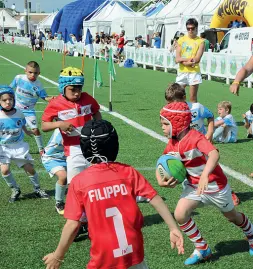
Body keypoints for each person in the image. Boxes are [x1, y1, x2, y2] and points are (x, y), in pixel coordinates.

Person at [43, 119, 184, 269]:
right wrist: (173, 228)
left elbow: (72, 224)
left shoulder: (79, 182)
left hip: (103, 258)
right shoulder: (128, 172)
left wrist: (58, 256)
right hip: (134, 253)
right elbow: (154, 199)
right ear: (113, 144)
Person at [158, 101, 253, 265]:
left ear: (178, 122)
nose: (163, 128)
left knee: (232, 216)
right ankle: (202, 248)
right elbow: (163, 163)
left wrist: (205, 175)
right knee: (180, 213)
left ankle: (251, 233)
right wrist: (162, 181)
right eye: (162, 124)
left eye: (166, 124)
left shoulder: (195, 137)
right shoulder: (172, 144)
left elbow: (214, 154)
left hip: (216, 186)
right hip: (194, 187)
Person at [41, 67, 102, 184]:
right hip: (72, 147)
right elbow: (44, 126)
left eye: (79, 88)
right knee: (75, 182)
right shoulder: (55, 104)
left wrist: (98, 126)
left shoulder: (88, 98)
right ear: (63, 88)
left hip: (90, 144)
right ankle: (60, 202)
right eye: (72, 89)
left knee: (94, 179)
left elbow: (96, 112)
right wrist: (59, 124)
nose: (77, 93)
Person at [0, 86, 49, 202]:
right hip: (4, 148)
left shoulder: (19, 113)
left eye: (10, 99)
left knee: (29, 168)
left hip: (19, 146)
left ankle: (38, 189)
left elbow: (21, 124)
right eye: (4, 100)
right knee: (4, 170)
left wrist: (27, 131)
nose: (8, 102)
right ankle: (15, 189)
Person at [10, 61, 54, 154]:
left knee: (35, 130)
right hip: (15, 108)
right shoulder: (19, 78)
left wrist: (51, 99)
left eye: (35, 73)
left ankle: (41, 149)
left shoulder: (38, 85)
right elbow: (10, 89)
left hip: (28, 111)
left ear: (39, 73)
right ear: (25, 71)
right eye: (30, 72)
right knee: (7, 126)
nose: (33, 75)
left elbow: (44, 97)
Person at [175, 18, 205, 103]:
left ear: (196, 28)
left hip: (194, 73)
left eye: (192, 28)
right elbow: (177, 58)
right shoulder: (181, 40)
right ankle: (179, 114)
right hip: (182, 72)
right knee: (177, 96)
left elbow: (197, 59)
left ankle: (193, 115)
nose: (190, 30)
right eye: (188, 28)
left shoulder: (201, 42)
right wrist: (188, 62)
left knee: (192, 98)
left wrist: (182, 60)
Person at [41, 129, 67, 215]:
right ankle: (59, 203)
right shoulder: (61, 129)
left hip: (67, 156)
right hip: (51, 158)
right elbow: (66, 143)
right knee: (63, 176)